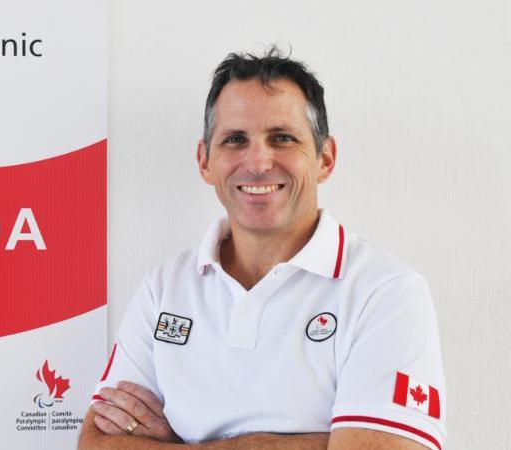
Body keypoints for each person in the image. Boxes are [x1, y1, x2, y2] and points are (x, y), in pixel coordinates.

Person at [77, 47, 446, 450]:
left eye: (282, 138)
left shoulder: (386, 291)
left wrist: (179, 445)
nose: (257, 161)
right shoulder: (164, 288)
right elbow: (96, 443)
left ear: (325, 158)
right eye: (235, 140)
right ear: (205, 161)